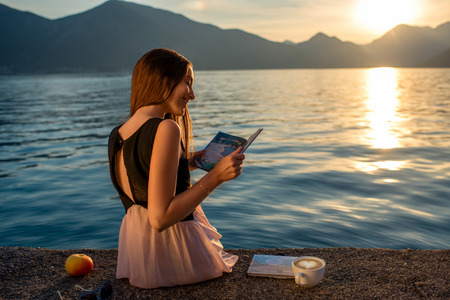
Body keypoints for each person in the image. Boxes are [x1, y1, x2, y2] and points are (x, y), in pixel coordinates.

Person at [107, 48, 245, 289]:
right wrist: (215, 177)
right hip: (175, 258)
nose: (192, 95)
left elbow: (142, 178)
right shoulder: (167, 128)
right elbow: (160, 219)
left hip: (140, 258)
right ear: (164, 80)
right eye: (187, 83)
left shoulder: (117, 134)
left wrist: (187, 161)